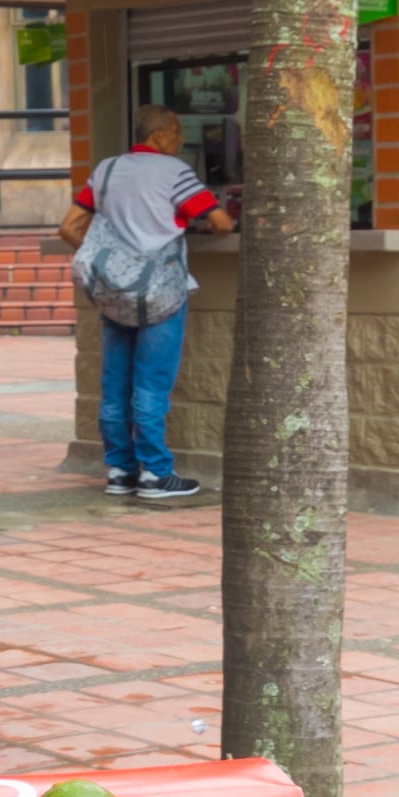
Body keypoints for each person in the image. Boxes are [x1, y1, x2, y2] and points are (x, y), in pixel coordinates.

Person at [68, 110, 228, 503]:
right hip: (161, 293)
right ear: (157, 136)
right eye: (175, 134)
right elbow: (221, 222)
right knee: (151, 384)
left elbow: (69, 227)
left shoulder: (105, 171)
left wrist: (112, 263)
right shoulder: (175, 173)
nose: (179, 141)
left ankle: (120, 470)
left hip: (113, 293)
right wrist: (193, 226)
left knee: (114, 386)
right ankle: (156, 474)